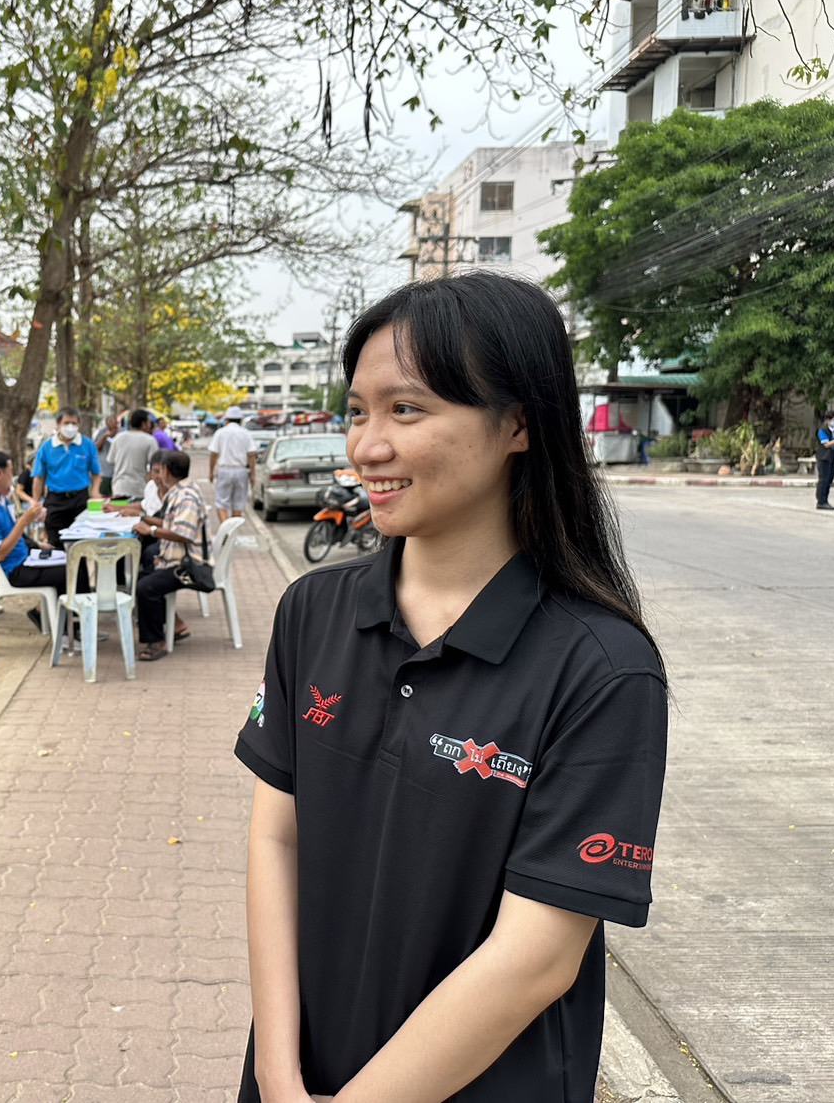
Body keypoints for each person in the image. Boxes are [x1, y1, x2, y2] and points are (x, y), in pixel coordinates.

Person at [234, 272, 669, 1103]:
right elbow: (275, 839)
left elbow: (535, 957)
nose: (366, 447)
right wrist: (276, 1070)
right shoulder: (312, 611)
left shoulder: (601, 669)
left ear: (517, 423)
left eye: (406, 409)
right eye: (357, 411)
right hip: (300, 1072)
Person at [0, 450, 89, 609]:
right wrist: (24, 521)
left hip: (22, 557)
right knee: (72, 570)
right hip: (11, 569)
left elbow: (11, 531)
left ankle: (55, 615)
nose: (13, 477)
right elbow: (0, 554)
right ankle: (68, 620)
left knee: (74, 559)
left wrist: (37, 544)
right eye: (10, 472)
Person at [134, 450, 207, 661]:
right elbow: (170, 522)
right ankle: (171, 625)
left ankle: (157, 642)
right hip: (174, 558)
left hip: (189, 565)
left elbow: (183, 533)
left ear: (166, 471)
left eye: (160, 470)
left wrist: (151, 531)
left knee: (146, 587)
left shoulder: (187, 496)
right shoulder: (178, 491)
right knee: (142, 573)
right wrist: (144, 519)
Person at [32, 406, 102, 542]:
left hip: (80, 500)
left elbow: (96, 473)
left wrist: (95, 491)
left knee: (81, 543)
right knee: (55, 542)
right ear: (58, 424)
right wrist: (36, 502)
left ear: (79, 424)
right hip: (55, 500)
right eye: (66, 423)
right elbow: (39, 478)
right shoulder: (47, 447)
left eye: (74, 423)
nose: (70, 427)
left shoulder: (87, 445)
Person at [209, 406, 256, 525]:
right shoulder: (245, 433)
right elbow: (251, 454)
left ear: (227, 419)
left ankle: (226, 530)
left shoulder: (220, 433)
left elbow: (214, 453)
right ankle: (233, 530)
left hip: (224, 470)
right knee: (238, 504)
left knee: (221, 503)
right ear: (240, 420)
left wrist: (211, 471)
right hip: (241, 471)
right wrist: (253, 474)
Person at [109, 408, 160, 499]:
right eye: (149, 422)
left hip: (118, 487)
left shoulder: (118, 438)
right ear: (143, 424)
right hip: (139, 489)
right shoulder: (150, 440)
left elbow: (111, 460)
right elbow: (156, 464)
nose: (150, 425)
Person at [92, 410, 122, 496]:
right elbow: (95, 448)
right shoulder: (102, 432)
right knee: (104, 496)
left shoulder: (122, 433)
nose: (112, 426)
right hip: (105, 472)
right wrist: (105, 436)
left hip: (118, 472)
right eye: (109, 423)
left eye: (114, 423)